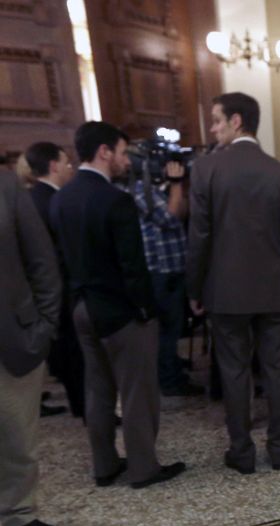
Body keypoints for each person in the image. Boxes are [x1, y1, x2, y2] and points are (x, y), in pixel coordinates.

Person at [52, 121, 186, 489]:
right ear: (104, 152)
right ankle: (144, 469)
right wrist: (146, 309)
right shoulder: (115, 199)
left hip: (81, 307)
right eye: (123, 152)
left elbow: (61, 260)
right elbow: (133, 265)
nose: (126, 160)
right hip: (120, 311)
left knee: (97, 389)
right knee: (137, 392)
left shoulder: (60, 197)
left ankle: (105, 466)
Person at [187, 92, 280, 474]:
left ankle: (242, 451)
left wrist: (194, 288)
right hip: (274, 287)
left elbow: (199, 236)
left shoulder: (205, 169)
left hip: (225, 290)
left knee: (234, 372)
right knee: (278, 370)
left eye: (216, 120)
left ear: (237, 122)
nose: (213, 128)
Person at [0, 170, 65, 526]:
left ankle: (18, 513)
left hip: (12, 334)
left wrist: (44, 325)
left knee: (16, 435)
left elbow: (42, 260)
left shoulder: (7, 186)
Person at [129, 160, 204, 397]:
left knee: (172, 327)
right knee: (165, 330)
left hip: (172, 267)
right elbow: (170, 218)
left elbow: (181, 213)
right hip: (159, 270)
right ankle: (169, 380)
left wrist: (177, 187)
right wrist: (176, 183)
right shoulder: (138, 190)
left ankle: (171, 368)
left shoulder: (156, 190)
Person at [24, 141, 85, 419]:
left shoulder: (35, 197)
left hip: (49, 288)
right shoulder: (49, 201)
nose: (70, 167)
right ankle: (83, 405)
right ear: (53, 165)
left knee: (67, 349)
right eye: (66, 162)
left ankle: (80, 401)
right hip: (59, 287)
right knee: (73, 350)